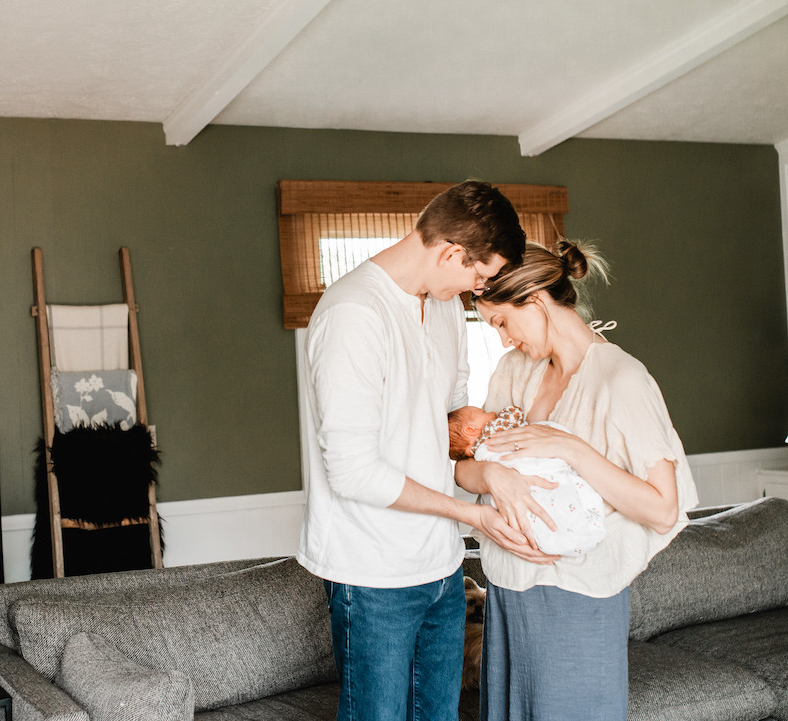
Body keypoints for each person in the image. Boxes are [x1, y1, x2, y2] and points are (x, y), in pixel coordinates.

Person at [297, 180, 545, 721]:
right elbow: (354, 472)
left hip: (442, 565)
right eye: (478, 276)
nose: (477, 290)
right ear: (453, 252)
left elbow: (446, 424)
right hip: (373, 572)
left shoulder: (446, 308)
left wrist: (485, 440)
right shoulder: (353, 314)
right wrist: (468, 512)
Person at [454, 239, 699, 721]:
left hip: (578, 596)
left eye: (502, 322)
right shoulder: (513, 372)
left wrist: (570, 448)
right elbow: (465, 465)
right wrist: (491, 475)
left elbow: (662, 508)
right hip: (507, 588)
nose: (503, 340)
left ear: (537, 300)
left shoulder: (621, 380)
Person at [448, 404, 606, 557]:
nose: (491, 413)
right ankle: (574, 529)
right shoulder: (493, 432)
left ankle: (555, 537)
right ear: (470, 429)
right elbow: (514, 413)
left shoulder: (478, 456)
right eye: (482, 411)